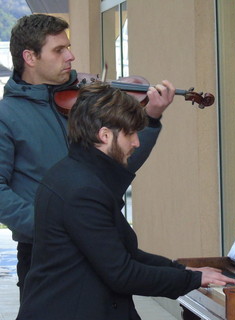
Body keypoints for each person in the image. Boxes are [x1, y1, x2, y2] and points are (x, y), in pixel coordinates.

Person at [16, 83, 235, 320]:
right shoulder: (82, 189)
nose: (136, 142)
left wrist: (182, 271)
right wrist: (191, 279)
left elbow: (125, 255)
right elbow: (122, 274)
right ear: (105, 135)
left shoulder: (75, 174)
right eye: (130, 133)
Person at [0, 13, 175, 299]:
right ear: (30, 57)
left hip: (101, 240)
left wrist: (151, 118)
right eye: (59, 50)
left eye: (67, 47)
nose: (71, 56)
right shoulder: (6, 116)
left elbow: (120, 164)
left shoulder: (84, 101)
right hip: (45, 251)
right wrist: (45, 227)